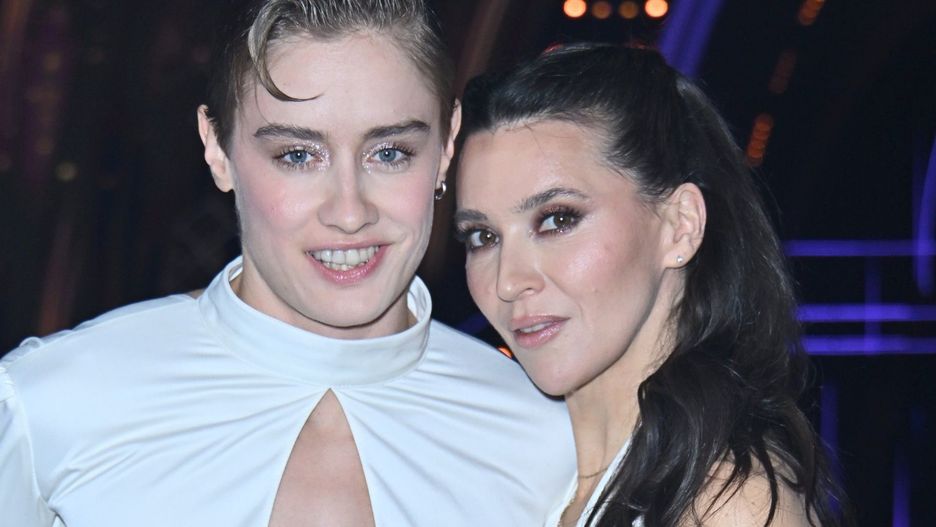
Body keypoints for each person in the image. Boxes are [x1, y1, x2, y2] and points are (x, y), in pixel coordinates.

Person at [0, 1, 575, 525]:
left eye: (390, 152)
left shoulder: (547, 443)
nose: (348, 212)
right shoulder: (51, 403)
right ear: (217, 148)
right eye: (298, 155)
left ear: (447, 145)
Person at [454, 43, 849, 527]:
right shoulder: (521, 485)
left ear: (679, 226)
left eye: (557, 219)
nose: (508, 281)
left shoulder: (730, 505)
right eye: (483, 237)